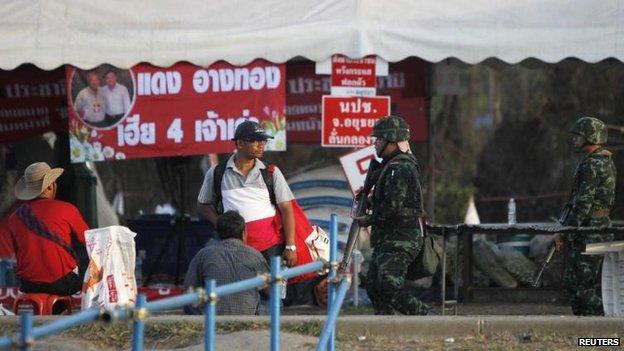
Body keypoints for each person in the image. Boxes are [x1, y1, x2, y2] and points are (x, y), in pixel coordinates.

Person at [197, 121, 297, 266]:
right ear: (240, 144)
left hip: (271, 250)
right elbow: (203, 204)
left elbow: (287, 209)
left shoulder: (271, 172)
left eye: (263, 140)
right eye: (255, 140)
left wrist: (290, 246)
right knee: (241, 288)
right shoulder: (216, 173)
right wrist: (221, 224)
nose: (261, 144)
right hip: (235, 251)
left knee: (271, 289)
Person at [359, 115, 428, 315]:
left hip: (401, 239)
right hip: (388, 238)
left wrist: (368, 218)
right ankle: (386, 325)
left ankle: (428, 320)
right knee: (373, 286)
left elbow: (392, 207)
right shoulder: (390, 167)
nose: (375, 143)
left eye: (379, 139)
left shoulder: (400, 167)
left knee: (389, 286)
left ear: (391, 140)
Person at [553, 116, 616, 316]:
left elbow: (582, 205)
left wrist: (565, 234)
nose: (575, 139)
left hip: (589, 232)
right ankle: (586, 329)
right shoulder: (604, 160)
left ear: (590, 136)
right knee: (577, 284)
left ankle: (609, 320)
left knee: (579, 286)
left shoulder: (592, 165)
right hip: (596, 229)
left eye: (578, 135)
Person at [8, 162, 89, 296]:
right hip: (62, 283)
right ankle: (62, 314)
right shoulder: (67, 209)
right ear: (51, 186)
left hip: (28, 285)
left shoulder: (14, 218)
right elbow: (90, 241)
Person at [183, 210, 269, 315]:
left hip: (212, 319)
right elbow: (270, 291)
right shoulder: (255, 256)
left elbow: (189, 289)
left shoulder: (203, 254)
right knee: (275, 299)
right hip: (248, 319)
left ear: (218, 233)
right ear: (243, 233)